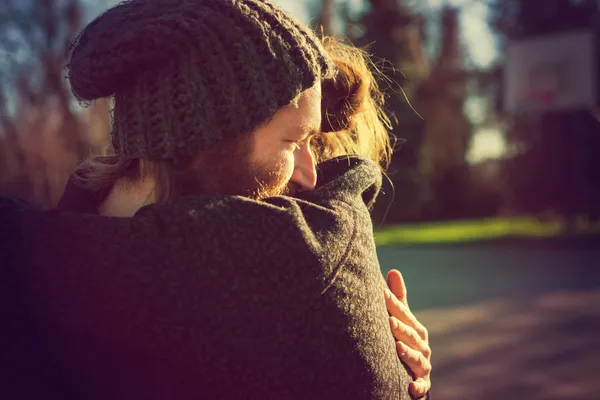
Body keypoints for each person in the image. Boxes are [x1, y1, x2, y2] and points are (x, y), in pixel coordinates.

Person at [0, 0, 431, 398]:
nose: (310, 173)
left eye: (311, 141)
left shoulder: (308, 248)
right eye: (292, 141)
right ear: (202, 144)